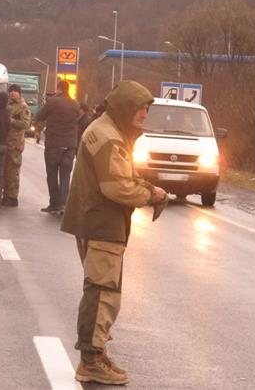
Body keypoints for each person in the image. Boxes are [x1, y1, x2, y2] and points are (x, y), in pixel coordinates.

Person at [60, 80, 167, 385]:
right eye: (142, 108)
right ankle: (91, 360)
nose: (145, 115)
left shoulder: (105, 129)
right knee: (102, 292)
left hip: (93, 219)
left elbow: (118, 175)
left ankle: (96, 352)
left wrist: (143, 186)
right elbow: (117, 186)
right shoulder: (108, 137)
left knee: (100, 288)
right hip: (103, 223)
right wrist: (152, 194)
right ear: (125, 107)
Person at [35, 80, 80, 214]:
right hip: (70, 145)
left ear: (58, 88)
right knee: (65, 175)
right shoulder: (75, 103)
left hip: (54, 143)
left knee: (52, 174)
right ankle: (63, 205)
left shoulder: (53, 102)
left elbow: (39, 116)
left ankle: (54, 203)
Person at [2, 84, 31, 207]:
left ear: (19, 93)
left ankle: (12, 197)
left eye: (15, 91)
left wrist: (11, 121)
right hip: (6, 142)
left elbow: (26, 124)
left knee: (13, 171)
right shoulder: (7, 105)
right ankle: (5, 195)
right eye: (11, 91)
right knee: (4, 171)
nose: (13, 93)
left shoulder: (23, 107)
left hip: (15, 144)